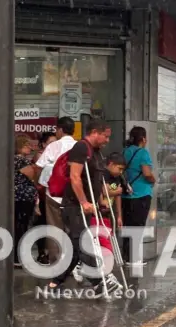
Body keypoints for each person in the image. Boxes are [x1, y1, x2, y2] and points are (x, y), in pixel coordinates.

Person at [47, 118, 121, 295]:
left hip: (86, 207)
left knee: (76, 246)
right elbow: (75, 177)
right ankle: (99, 280)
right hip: (74, 206)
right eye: (105, 136)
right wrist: (84, 201)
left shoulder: (96, 152)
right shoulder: (81, 148)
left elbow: (96, 180)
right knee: (83, 242)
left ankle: (55, 283)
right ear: (94, 132)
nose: (107, 140)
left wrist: (101, 200)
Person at [34, 117, 77, 264]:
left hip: (53, 194)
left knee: (54, 228)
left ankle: (57, 262)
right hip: (74, 194)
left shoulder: (53, 147)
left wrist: (39, 185)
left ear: (60, 130)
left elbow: (38, 167)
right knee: (72, 228)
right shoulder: (79, 147)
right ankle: (73, 261)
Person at [121, 126, 156, 266]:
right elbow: (147, 173)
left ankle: (126, 256)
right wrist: (153, 180)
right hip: (141, 194)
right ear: (143, 139)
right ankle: (133, 258)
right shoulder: (143, 153)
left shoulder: (125, 152)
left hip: (126, 194)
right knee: (138, 226)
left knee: (128, 225)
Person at [33, 132, 57, 265]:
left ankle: (50, 252)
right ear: (43, 144)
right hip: (42, 194)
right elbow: (38, 176)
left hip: (53, 194)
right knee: (42, 223)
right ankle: (42, 252)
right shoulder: (41, 156)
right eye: (51, 143)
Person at [13, 136, 38, 267]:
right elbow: (32, 174)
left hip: (20, 197)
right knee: (21, 226)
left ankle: (17, 256)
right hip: (23, 198)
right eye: (26, 145)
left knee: (19, 226)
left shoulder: (17, 160)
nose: (30, 147)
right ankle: (18, 257)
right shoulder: (20, 160)